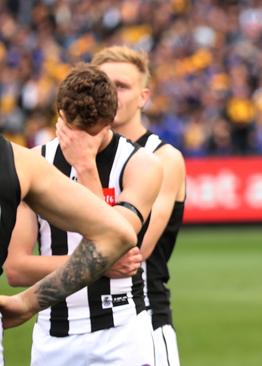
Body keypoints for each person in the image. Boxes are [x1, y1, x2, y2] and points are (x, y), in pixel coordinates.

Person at [4, 64, 162, 366]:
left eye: (90, 134)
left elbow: (112, 238)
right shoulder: (33, 164)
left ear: (110, 121)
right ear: (59, 115)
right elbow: (17, 269)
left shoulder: (142, 165)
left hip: (122, 331)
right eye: (71, 130)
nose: (77, 141)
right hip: (54, 334)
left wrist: (86, 167)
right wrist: (100, 264)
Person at [0, 135, 138, 365]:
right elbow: (115, 234)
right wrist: (27, 303)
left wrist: (28, 302)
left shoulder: (22, 162)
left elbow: (116, 235)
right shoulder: (19, 162)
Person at [91, 45, 186, 366]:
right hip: (71, 326)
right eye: (103, 84)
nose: (111, 95)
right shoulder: (66, 156)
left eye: (122, 86)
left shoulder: (164, 157)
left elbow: (136, 248)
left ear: (144, 97)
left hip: (142, 320)